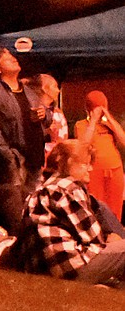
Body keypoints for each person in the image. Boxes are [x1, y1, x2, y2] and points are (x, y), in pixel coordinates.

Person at [15, 138, 125, 285]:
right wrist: (112, 239)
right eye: (85, 164)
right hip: (69, 267)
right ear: (69, 162)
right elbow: (94, 238)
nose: (90, 169)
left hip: (43, 269)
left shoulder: (42, 189)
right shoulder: (68, 188)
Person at [0, 48, 45, 188]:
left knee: (34, 205)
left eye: (12, 55)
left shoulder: (30, 93)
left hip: (35, 158)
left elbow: (47, 120)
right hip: (14, 162)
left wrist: (44, 115)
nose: (13, 58)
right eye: (7, 57)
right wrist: (9, 157)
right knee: (16, 204)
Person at [74, 90, 125, 220]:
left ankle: (115, 233)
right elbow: (84, 144)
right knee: (96, 206)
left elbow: (123, 140)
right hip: (94, 172)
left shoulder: (109, 125)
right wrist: (93, 121)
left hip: (115, 170)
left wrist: (110, 120)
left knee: (115, 206)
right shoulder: (81, 125)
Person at [23, 74, 67, 158]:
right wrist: (47, 131)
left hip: (58, 158)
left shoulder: (56, 111)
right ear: (45, 89)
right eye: (54, 86)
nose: (58, 90)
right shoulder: (34, 111)